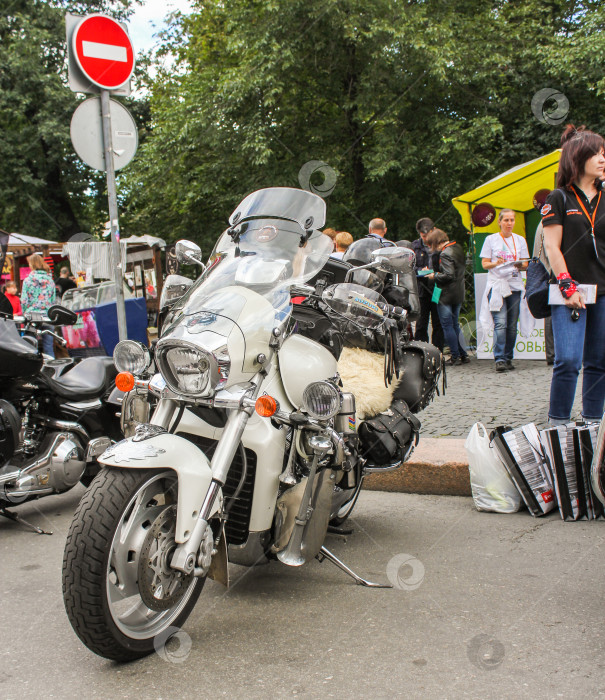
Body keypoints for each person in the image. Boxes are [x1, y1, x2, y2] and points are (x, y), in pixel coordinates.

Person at [542, 124, 605, 425]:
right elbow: (552, 247)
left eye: (604, 153)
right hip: (570, 291)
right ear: (578, 158)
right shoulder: (559, 198)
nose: (603, 159)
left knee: (600, 362)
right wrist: (568, 286)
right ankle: (558, 424)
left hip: (603, 291)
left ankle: (593, 422)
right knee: (567, 360)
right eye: (597, 153)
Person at [479, 209, 529, 372]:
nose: (509, 223)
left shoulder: (520, 240)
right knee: (500, 323)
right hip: (498, 286)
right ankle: (499, 358)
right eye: (506, 220)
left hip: (514, 285)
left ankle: (508, 356)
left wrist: (517, 264)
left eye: (511, 220)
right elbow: (485, 264)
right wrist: (497, 263)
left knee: (512, 325)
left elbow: (526, 263)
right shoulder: (491, 239)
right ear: (499, 222)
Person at [425, 229, 469, 365]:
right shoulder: (457, 248)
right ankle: (464, 354)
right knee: (455, 325)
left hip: (446, 294)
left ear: (436, 242)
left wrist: (433, 275)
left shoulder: (445, 253)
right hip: (458, 292)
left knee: (447, 325)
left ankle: (455, 356)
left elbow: (448, 275)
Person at [412, 217, 443, 351]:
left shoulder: (441, 246)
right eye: (423, 236)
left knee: (438, 322)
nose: (425, 238)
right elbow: (410, 267)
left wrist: (435, 273)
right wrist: (420, 270)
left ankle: (438, 351)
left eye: (428, 235)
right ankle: (421, 351)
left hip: (437, 289)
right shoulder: (414, 246)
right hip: (422, 289)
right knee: (421, 322)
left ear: (433, 230)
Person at [21, 253, 56, 358]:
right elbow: (53, 300)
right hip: (47, 316)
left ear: (32, 264)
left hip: (32, 316)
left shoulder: (28, 281)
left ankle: (34, 370)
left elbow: (24, 301)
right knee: (48, 346)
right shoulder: (50, 280)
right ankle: (51, 370)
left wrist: (25, 313)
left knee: (31, 345)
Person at [531, 223, 555, 365]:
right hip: (551, 274)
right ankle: (552, 354)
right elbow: (549, 251)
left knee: (551, 315)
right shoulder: (550, 220)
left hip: (548, 273)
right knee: (552, 315)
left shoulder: (544, 221)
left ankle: (552, 354)